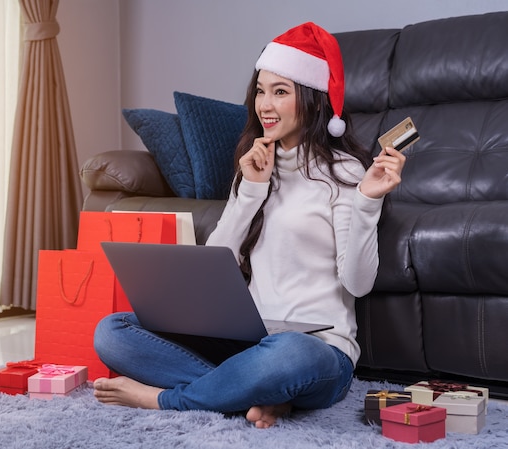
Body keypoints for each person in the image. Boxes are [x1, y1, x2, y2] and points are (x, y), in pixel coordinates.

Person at [92, 22, 406, 429]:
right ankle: (257, 393)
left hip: (318, 352)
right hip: (247, 346)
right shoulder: (253, 169)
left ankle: (170, 399)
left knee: (289, 354)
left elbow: (358, 284)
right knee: (111, 330)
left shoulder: (345, 173)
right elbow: (214, 266)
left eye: (280, 92)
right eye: (260, 90)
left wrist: (367, 202)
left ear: (311, 101)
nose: (265, 105)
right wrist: (250, 194)